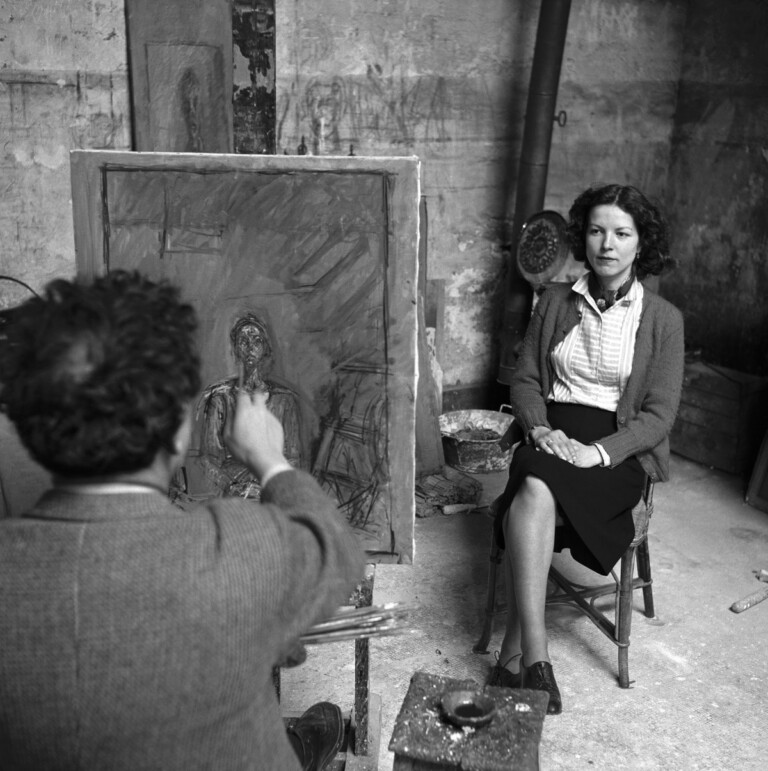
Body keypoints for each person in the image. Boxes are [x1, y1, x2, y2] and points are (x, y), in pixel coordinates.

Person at [0, 270, 364, 770]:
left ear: (27, 427)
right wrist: (270, 461)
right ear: (178, 426)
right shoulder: (242, 552)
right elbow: (337, 551)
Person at [487, 184, 685, 715]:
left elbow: (658, 417)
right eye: (597, 230)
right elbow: (526, 381)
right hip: (552, 429)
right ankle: (538, 658)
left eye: (622, 233)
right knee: (535, 475)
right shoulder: (553, 300)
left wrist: (597, 453)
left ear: (640, 244)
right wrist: (540, 428)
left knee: (533, 489)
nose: (607, 244)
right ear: (584, 237)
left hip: (618, 450)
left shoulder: (663, 320)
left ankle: (515, 653)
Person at [197, 313, 303, 500]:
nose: (250, 348)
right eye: (243, 341)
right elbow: (207, 459)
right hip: (232, 491)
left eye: (256, 341)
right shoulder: (221, 399)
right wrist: (231, 487)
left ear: (265, 348)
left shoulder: (284, 400)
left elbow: (293, 458)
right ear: (236, 348)